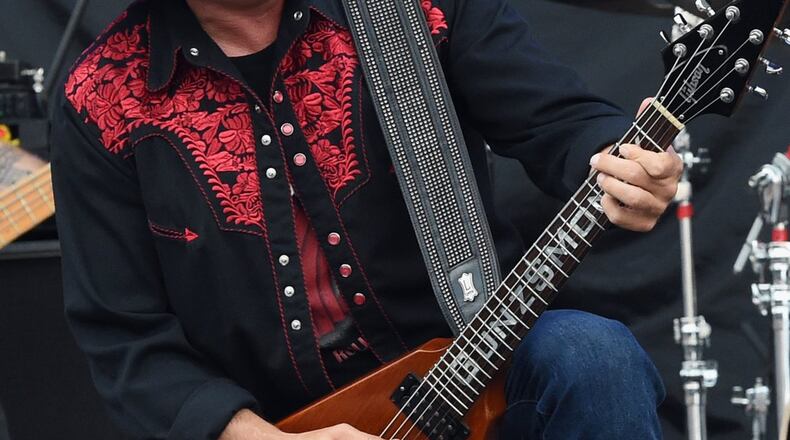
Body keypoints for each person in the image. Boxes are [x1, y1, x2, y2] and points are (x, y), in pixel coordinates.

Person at [51, 0, 681, 438]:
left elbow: (556, 121)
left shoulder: (407, 8)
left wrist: (615, 158)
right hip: (273, 422)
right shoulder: (100, 97)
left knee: (593, 357)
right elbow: (123, 334)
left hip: (472, 367)